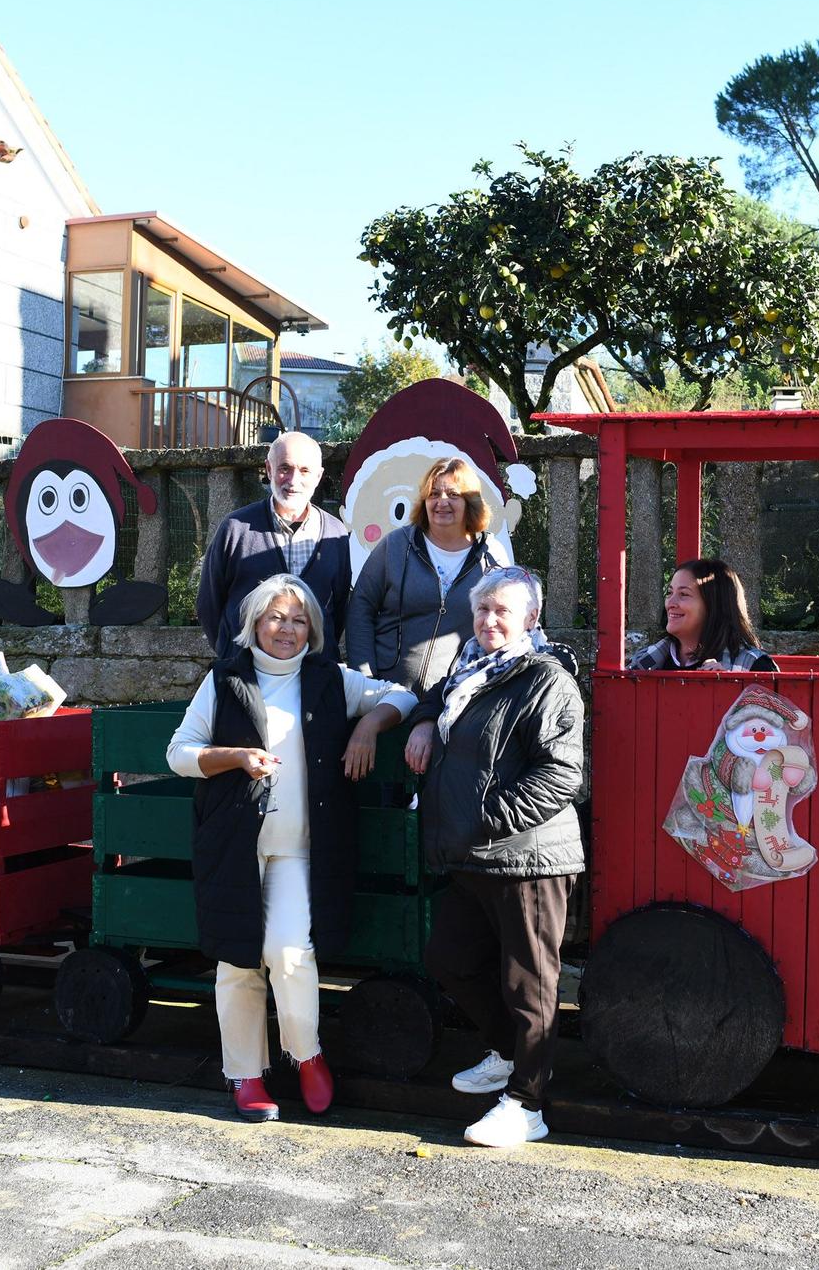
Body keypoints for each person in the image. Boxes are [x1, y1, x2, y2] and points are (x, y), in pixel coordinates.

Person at [168, 574, 416, 1122]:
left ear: (313, 630)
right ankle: (246, 1074)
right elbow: (179, 752)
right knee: (237, 959)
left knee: (287, 952)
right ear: (255, 622)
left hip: (300, 851)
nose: (287, 629)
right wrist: (233, 757)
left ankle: (306, 1055)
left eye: (299, 620)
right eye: (276, 617)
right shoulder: (225, 679)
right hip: (234, 844)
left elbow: (403, 695)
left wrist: (368, 727)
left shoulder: (330, 680)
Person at [404, 566, 585, 1148]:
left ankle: (528, 1104)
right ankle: (508, 1055)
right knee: (449, 958)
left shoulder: (546, 680)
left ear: (531, 618)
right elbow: (436, 703)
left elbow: (562, 774)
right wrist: (428, 719)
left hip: (527, 856)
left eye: (503, 611)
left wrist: (488, 818)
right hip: (474, 854)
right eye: (482, 611)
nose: (489, 621)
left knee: (528, 984)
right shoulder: (469, 672)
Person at [346, 456, 511, 696]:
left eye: (453, 494)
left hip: (452, 699)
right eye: (433, 494)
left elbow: (505, 624)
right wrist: (364, 679)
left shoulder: (491, 555)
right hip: (384, 693)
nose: (441, 502)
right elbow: (361, 607)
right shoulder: (396, 545)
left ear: (470, 502)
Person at [196, 431, 351, 662]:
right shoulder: (236, 529)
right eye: (284, 468)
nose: (293, 480)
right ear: (269, 469)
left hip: (316, 677)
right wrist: (233, 654)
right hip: (246, 678)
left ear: (318, 476)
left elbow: (339, 609)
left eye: (305, 471)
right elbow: (209, 605)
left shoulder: (335, 534)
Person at [627, 558, 778, 672]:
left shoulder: (755, 666)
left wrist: (730, 688)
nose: (670, 603)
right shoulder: (643, 661)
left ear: (714, 604)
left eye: (683, 594)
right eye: (669, 592)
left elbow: (783, 714)